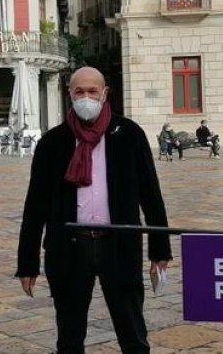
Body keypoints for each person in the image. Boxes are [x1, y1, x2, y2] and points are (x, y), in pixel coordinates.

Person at [16, 67, 171, 354]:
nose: (86, 97)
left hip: (120, 245)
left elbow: (151, 195)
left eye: (92, 91)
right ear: (69, 95)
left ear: (104, 93)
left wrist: (159, 250)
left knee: (133, 333)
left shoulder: (129, 135)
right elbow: (35, 205)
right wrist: (27, 262)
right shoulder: (53, 143)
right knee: (69, 336)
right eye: (79, 91)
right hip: (69, 249)